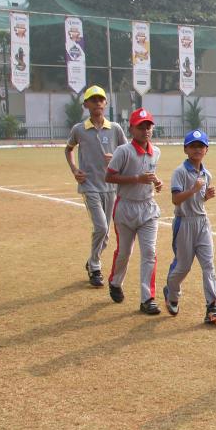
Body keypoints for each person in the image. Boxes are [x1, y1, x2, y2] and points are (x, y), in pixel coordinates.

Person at [64, 85, 127, 287]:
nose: (98, 103)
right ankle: (95, 266)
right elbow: (68, 149)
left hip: (111, 187)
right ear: (86, 104)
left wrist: (115, 158)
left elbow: (127, 152)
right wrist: (74, 169)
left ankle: (92, 260)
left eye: (101, 99)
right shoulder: (79, 129)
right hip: (89, 185)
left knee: (105, 233)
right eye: (93, 100)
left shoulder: (115, 128)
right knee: (101, 227)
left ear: (106, 103)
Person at [104, 107, 162, 314]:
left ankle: (148, 299)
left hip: (148, 208)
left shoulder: (156, 152)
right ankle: (115, 281)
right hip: (126, 207)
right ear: (131, 129)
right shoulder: (123, 152)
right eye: (141, 127)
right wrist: (137, 179)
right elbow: (109, 177)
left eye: (148, 126)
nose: (145, 130)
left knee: (150, 252)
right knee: (124, 252)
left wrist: (156, 182)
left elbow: (150, 173)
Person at [163, 130, 216, 324]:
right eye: (193, 146)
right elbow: (175, 200)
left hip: (202, 222)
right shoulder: (180, 172)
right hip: (184, 222)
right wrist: (193, 189)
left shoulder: (207, 174)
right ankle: (171, 292)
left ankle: (213, 306)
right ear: (185, 149)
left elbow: (199, 200)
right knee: (183, 267)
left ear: (206, 150)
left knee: (208, 265)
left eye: (201, 146)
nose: (197, 149)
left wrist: (205, 196)